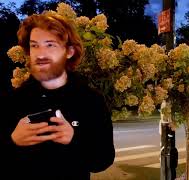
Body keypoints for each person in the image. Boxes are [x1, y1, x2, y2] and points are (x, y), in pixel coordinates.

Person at [0, 12, 115, 180]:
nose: (40, 54)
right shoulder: (12, 101)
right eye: (34, 45)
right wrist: (13, 141)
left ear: (69, 51)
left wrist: (73, 139)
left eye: (50, 45)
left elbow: (103, 160)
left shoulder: (91, 100)